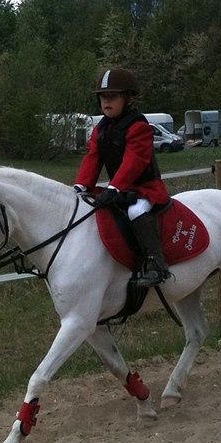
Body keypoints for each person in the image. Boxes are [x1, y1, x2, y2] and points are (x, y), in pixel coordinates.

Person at [74, 67, 171, 288]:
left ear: (128, 98)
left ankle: (156, 264)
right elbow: (92, 158)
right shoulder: (100, 129)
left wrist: (114, 187)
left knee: (136, 211)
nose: (106, 102)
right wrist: (81, 186)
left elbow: (134, 162)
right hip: (119, 189)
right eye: (103, 97)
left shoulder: (139, 127)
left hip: (145, 188)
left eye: (113, 96)